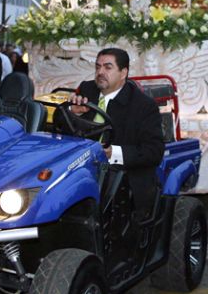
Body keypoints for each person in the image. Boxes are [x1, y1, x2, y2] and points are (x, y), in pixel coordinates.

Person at [68, 48, 165, 216]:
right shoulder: (86, 89)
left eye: (107, 67)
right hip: (80, 166)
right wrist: (72, 111)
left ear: (123, 72)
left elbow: (154, 151)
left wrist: (114, 152)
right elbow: (60, 124)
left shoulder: (143, 106)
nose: (100, 72)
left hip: (121, 175)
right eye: (97, 67)